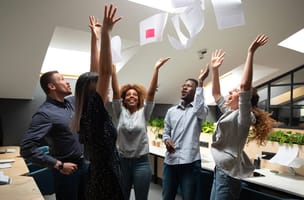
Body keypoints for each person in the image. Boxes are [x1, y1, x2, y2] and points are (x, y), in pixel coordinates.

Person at [209, 34, 276, 200]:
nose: (230, 93)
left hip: (229, 174)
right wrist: (215, 70)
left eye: (234, 92)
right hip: (221, 170)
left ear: (245, 100)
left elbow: (244, 85)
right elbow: (216, 93)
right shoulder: (230, 112)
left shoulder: (244, 117)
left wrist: (250, 52)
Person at [70, 4, 124, 200]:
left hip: (101, 173)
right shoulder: (93, 112)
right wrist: (107, 34)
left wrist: (95, 37)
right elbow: (104, 72)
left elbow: (95, 72)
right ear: (94, 92)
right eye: (102, 87)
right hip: (105, 178)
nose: (107, 89)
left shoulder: (87, 111)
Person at [20, 71, 88, 200]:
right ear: (51, 86)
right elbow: (27, 148)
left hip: (83, 165)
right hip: (67, 170)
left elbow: (90, 84)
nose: (67, 81)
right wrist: (58, 165)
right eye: (62, 79)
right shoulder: (44, 114)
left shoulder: (71, 103)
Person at [111, 56, 170, 200]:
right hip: (122, 161)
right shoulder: (119, 112)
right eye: (128, 95)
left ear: (139, 98)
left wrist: (156, 69)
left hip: (141, 163)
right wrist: (113, 71)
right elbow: (115, 91)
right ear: (123, 98)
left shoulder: (144, 112)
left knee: (141, 197)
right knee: (121, 195)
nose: (131, 97)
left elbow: (151, 94)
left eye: (135, 95)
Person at [161, 65, 209, 200]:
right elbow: (166, 132)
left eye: (188, 86)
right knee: (167, 197)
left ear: (195, 91)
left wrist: (200, 82)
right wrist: (167, 140)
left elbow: (199, 107)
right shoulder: (171, 111)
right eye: (183, 86)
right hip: (170, 162)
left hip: (190, 162)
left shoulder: (200, 110)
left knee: (189, 197)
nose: (184, 87)